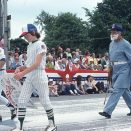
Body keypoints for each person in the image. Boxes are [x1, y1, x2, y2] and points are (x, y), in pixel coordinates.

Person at [13, 24, 57, 131]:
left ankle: (52, 125)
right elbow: (29, 64)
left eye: (26, 35)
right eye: (24, 35)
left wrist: (22, 74)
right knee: (22, 100)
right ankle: (20, 128)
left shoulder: (41, 44)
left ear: (33, 32)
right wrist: (20, 68)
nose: (25, 37)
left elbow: (37, 64)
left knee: (45, 101)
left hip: (39, 75)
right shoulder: (29, 46)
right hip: (30, 75)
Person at [99, 23, 131, 118]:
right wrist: (110, 70)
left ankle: (107, 111)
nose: (113, 33)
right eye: (112, 32)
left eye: (115, 32)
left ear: (120, 33)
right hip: (114, 69)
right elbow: (111, 58)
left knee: (116, 89)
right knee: (124, 90)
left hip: (124, 70)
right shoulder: (111, 44)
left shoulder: (126, 44)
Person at [0, 39, 17, 122]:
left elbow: (2, 62)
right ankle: (11, 108)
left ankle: (12, 107)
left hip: (1, 74)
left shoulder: (0, 50)